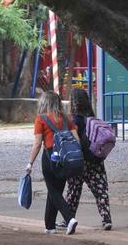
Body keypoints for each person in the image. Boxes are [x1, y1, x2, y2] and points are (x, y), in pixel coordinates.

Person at [27, 91, 80, 235]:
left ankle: (69, 219)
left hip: (50, 156)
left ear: (44, 103)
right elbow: (77, 140)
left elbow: (37, 144)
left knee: (53, 191)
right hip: (65, 158)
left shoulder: (41, 119)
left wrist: (30, 163)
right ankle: (50, 226)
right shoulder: (65, 118)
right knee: (55, 190)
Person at [64, 87, 113, 230]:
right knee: (100, 190)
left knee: (73, 191)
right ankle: (106, 219)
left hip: (79, 161)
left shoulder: (74, 120)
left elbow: (72, 140)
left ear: (73, 102)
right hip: (95, 160)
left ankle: (69, 219)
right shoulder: (93, 118)